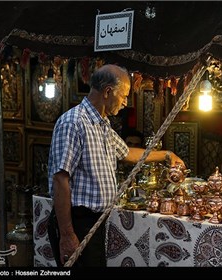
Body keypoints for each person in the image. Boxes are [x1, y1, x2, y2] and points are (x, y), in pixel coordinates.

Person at [47, 64, 185, 267]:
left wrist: (166, 154)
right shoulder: (73, 123)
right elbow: (60, 179)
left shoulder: (103, 125)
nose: (125, 102)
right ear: (108, 92)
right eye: (124, 95)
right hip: (78, 221)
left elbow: (127, 153)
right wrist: (67, 234)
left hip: (94, 222)